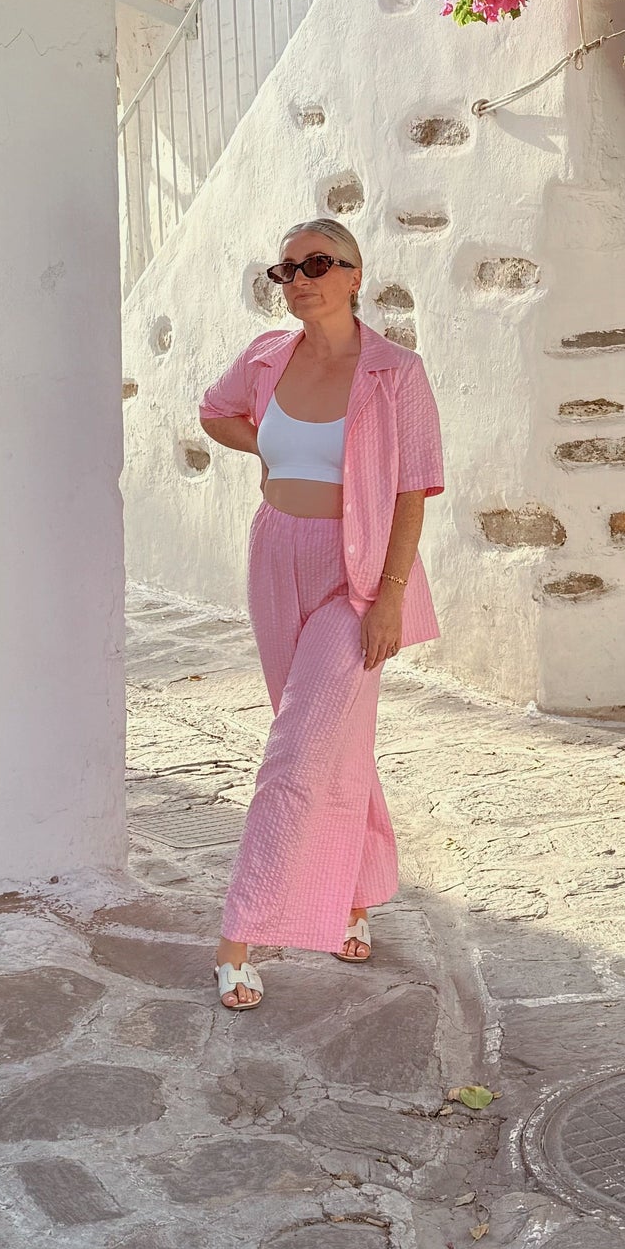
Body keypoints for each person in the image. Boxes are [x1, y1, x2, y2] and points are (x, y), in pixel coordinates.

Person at [197, 219, 443, 1010]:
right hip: (276, 553)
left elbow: (412, 489)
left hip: (359, 571)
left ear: (354, 275)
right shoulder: (267, 358)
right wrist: (269, 448)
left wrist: (393, 595)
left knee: (298, 750)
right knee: (330, 737)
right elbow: (213, 412)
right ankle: (356, 893)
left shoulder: (396, 373)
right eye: (287, 269)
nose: (299, 278)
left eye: (317, 264)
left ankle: (241, 932)